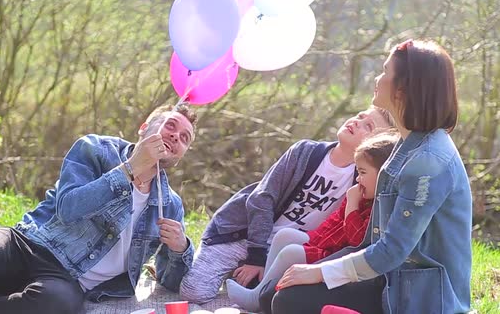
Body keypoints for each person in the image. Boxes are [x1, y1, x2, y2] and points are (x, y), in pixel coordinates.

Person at [0, 104, 198, 314]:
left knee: (59, 305)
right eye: (170, 125)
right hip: (25, 245)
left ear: (183, 153)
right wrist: (129, 170)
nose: (176, 136)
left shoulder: (169, 204)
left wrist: (180, 247)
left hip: (64, 280)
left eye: (185, 137)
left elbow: (171, 282)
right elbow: (69, 208)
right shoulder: (96, 149)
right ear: (144, 128)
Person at [259, 39, 472, 314]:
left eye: (385, 71)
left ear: (403, 88)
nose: (377, 78)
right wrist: (320, 269)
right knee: (273, 294)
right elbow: (374, 243)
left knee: (290, 300)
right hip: (389, 276)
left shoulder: (428, 163)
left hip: (418, 296)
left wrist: (321, 272)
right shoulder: (408, 144)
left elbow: (392, 251)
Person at [180, 106, 395, 304]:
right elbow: (261, 199)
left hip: (286, 250)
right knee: (193, 292)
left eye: (368, 126)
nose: (357, 122)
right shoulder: (306, 152)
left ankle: (245, 282)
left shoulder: (363, 182)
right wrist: (256, 257)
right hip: (246, 236)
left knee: (271, 290)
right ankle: (181, 257)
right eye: (359, 116)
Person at [226, 130, 399, 312]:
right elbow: (332, 222)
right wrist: (312, 240)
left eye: (362, 172)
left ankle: (256, 298)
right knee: (285, 235)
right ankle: (261, 288)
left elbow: (356, 240)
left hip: (337, 254)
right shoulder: (358, 193)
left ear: (383, 175)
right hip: (325, 244)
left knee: (291, 252)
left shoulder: (377, 206)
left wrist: (352, 207)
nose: (357, 178)